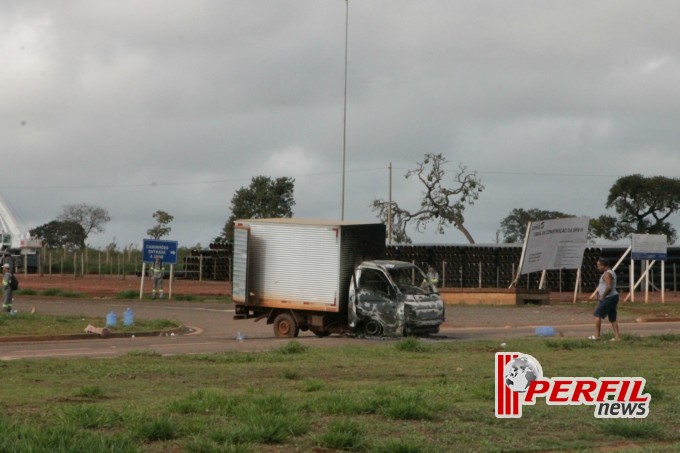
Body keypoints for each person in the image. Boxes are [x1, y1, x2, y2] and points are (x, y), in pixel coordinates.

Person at [589, 257, 621, 341]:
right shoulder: (610, 273)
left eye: (599, 265)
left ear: (604, 265)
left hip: (609, 298)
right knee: (612, 317)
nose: (598, 267)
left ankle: (597, 336)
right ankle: (617, 337)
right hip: (613, 297)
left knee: (597, 315)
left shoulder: (607, 274)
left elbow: (609, 287)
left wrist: (602, 296)